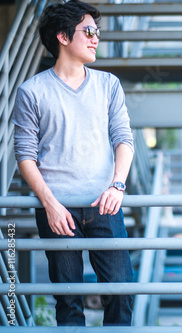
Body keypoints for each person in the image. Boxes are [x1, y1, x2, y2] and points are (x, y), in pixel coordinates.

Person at [12, 0, 134, 326]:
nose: (97, 38)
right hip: (57, 207)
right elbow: (25, 156)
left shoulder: (108, 85)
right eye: (89, 31)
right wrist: (50, 205)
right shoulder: (31, 91)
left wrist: (117, 184)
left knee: (121, 292)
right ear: (63, 37)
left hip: (105, 204)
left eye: (98, 32)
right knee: (68, 301)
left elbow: (125, 140)